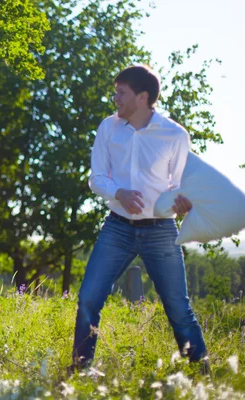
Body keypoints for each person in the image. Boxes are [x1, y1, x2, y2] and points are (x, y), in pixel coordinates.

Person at [69, 65, 208, 373]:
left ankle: (202, 376)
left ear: (142, 97)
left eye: (121, 92)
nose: (115, 98)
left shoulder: (174, 135)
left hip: (161, 230)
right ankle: (80, 371)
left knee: (178, 308)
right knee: (89, 298)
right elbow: (96, 178)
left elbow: (181, 184)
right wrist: (119, 192)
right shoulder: (108, 127)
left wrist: (184, 200)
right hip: (117, 228)